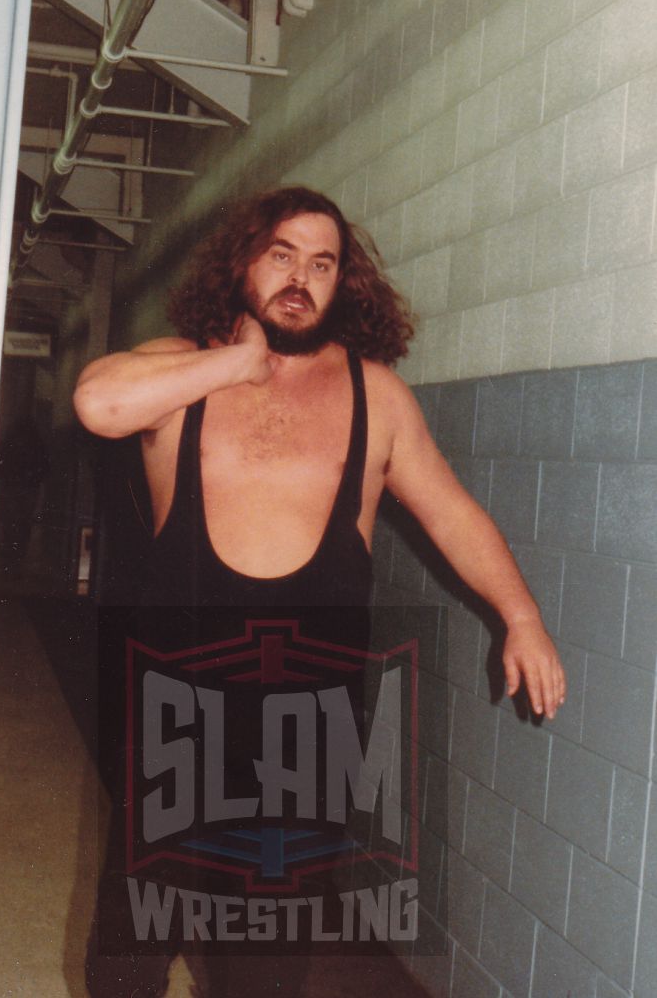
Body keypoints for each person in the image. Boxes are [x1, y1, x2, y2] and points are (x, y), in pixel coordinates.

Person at [74, 185, 566, 996]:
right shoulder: (175, 368)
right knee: (129, 946)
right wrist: (237, 363)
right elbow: (97, 402)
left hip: (309, 731)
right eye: (281, 256)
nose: (300, 278)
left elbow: (451, 515)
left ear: (345, 284)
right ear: (244, 264)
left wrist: (521, 617)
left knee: (265, 963)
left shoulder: (379, 399)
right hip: (175, 717)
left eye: (322, 263)